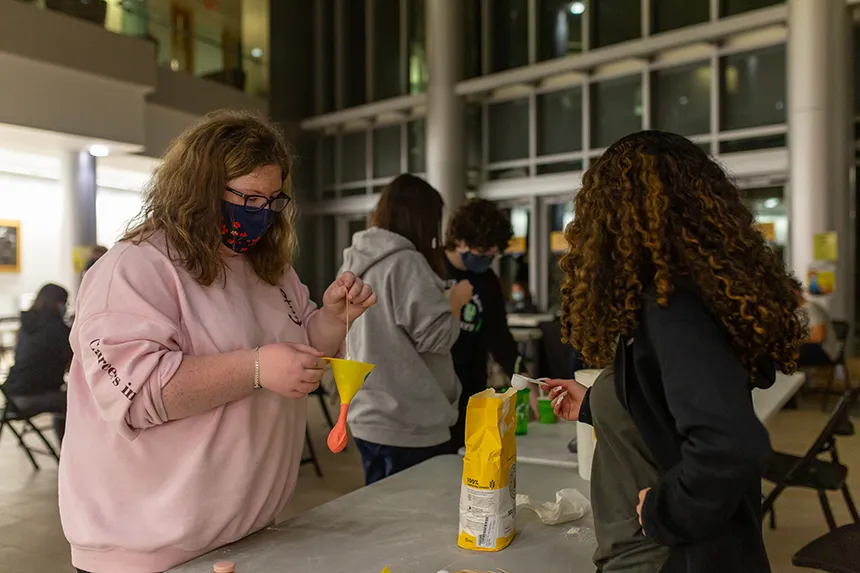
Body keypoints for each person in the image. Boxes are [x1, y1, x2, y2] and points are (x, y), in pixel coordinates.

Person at [59, 110, 377, 573]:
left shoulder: (268, 268)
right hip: (148, 550)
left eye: (272, 200)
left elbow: (300, 349)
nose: (261, 214)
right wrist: (255, 368)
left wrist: (331, 319)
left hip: (247, 533)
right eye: (248, 197)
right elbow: (140, 394)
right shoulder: (136, 269)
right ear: (199, 189)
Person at [545, 131, 804, 573]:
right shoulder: (689, 298)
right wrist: (595, 404)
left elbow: (729, 444)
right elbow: (671, 406)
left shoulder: (674, 306)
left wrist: (667, 511)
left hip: (667, 559)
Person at [341, 174, 472, 485]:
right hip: (410, 422)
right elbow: (437, 337)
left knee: (384, 519)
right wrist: (454, 301)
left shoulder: (355, 261)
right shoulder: (406, 263)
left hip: (367, 415)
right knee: (416, 523)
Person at [443, 198, 519, 452]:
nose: (489, 258)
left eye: (494, 253)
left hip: (472, 387)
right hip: (437, 387)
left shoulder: (488, 281)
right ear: (461, 240)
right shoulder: (432, 270)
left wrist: (522, 376)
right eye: (484, 251)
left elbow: (499, 335)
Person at [3, 283, 72, 443]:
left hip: (12, 394)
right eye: (65, 303)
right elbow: (73, 364)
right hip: (31, 397)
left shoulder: (27, 324)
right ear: (58, 303)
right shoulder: (58, 330)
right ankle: (68, 452)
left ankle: (64, 452)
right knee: (76, 400)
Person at [797, 289, 839, 367]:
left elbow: (818, 337)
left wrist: (796, 340)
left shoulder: (810, 308)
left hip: (825, 352)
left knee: (788, 353)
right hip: (813, 348)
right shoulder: (798, 310)